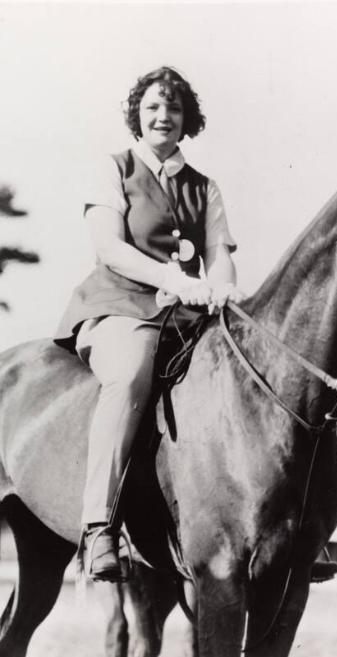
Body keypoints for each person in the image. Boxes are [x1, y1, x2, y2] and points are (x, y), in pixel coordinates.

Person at [54, 66, 243, 582]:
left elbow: (218, 254)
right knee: (133, 371)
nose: (163, 116)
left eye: (174, 108)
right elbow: (109, 248)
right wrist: (176, 280)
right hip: (120, 307)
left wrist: (221, 285)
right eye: (154, 106)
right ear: (137, 114)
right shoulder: (114, 168)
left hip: (185, 315)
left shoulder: (206, 187)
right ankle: (98, 526)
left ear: (188, 120)